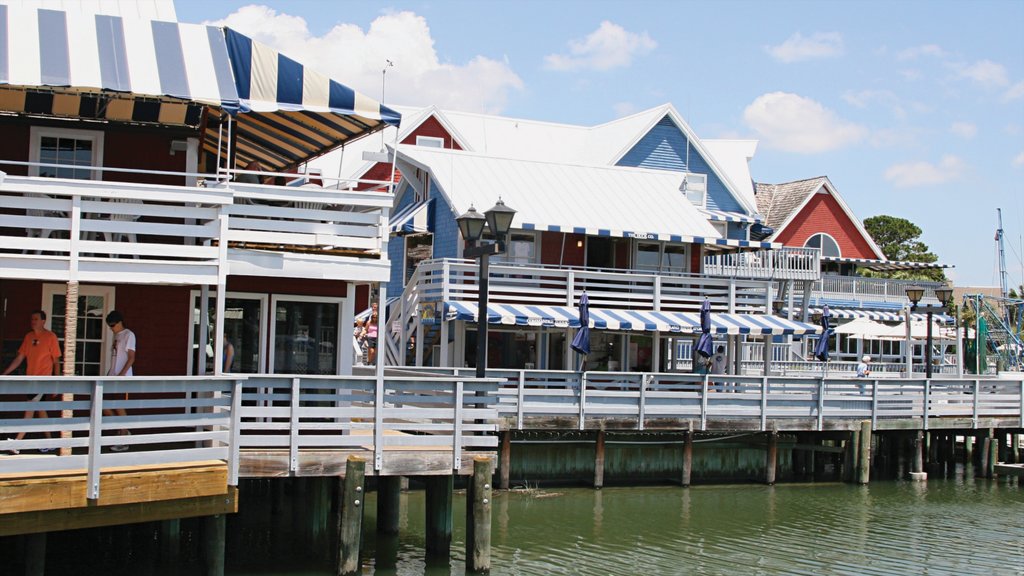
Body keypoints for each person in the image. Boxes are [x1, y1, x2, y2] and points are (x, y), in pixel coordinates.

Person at [2, 310, 60, 454]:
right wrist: (4, 373)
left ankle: (17, 443)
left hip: (43, 380)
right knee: (40, 410)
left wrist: (58, 382)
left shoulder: (50, 337)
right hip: (30, 380)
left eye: (35, 319)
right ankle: (50, 442)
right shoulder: (29, 337)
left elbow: (56, 361)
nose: (33, 321)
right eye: (32, 319)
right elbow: (19, 358)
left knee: (30, 409)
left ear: (43, 321)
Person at [103, 310, 135, 452]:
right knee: (104, 405)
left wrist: (122, 374)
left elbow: (131, 357)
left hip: (122, 378)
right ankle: (123, 430)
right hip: (112, 376)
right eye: (109, 326)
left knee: (119, 407)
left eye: (113, 325)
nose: (111, 327)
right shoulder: (115, 336)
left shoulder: (129, 334)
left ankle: (123, 440)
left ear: (120, 322)